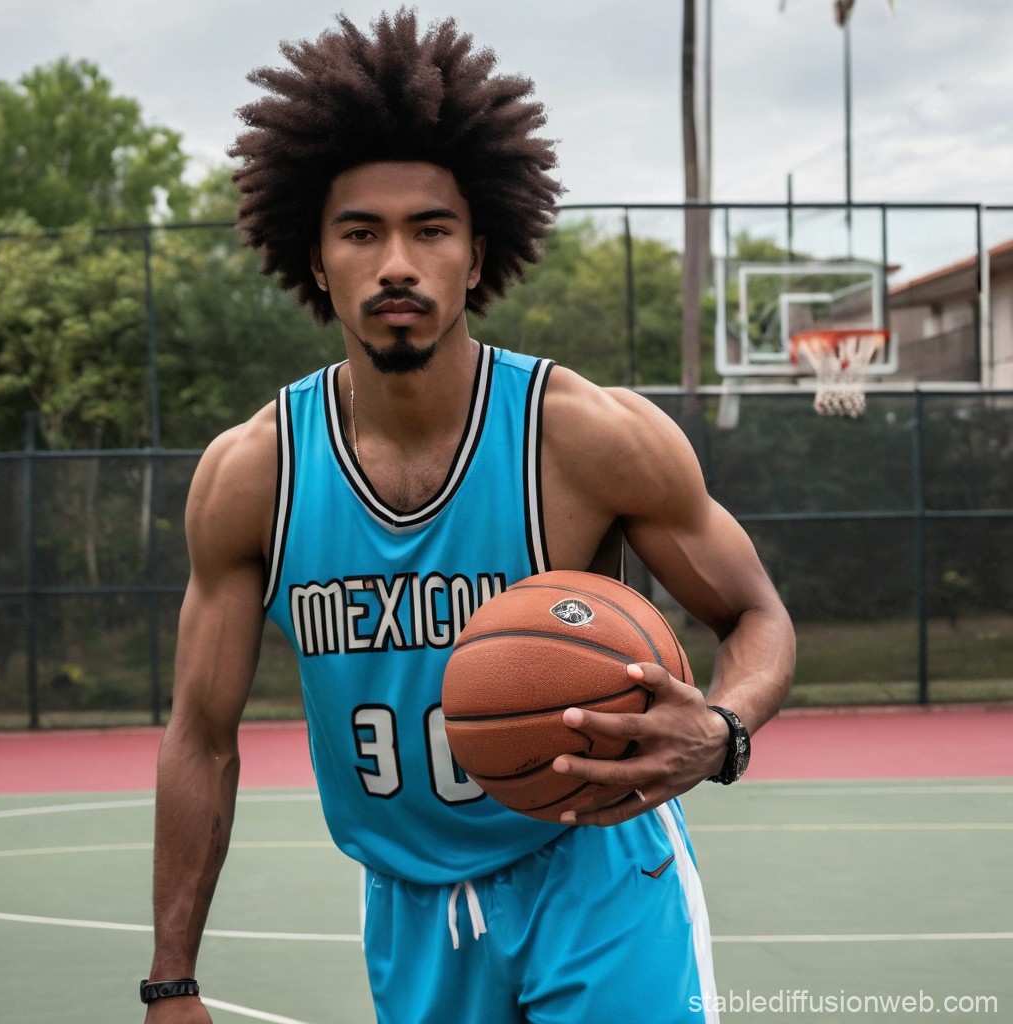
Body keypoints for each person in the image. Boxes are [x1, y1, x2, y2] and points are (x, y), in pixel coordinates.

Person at [142, 9, 795, 1023]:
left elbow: (755, 614)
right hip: (410, 905)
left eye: (431, 230)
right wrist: (172, 977)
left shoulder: (582, 437)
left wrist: (723, 728)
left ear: (477, 255)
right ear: (315, 260)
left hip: (595, 872)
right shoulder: (254, 474)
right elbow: (199, 736)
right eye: (361, 232)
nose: (396, 262)